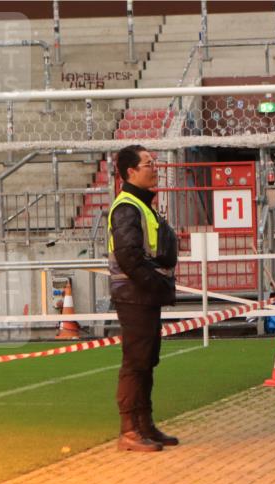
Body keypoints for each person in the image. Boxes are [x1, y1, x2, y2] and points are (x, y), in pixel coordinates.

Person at [108, 145, 179, 452]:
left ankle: (145, 425)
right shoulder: (127, 208)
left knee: (146, 361)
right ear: (131, 172)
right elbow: (129, 257)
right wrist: (155, 284)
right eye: (149, 163)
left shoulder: (140, 205)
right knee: (135, 363)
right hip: (134, 295)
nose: (155, 168)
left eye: (154, 162)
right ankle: (129, 430)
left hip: (143, 294)